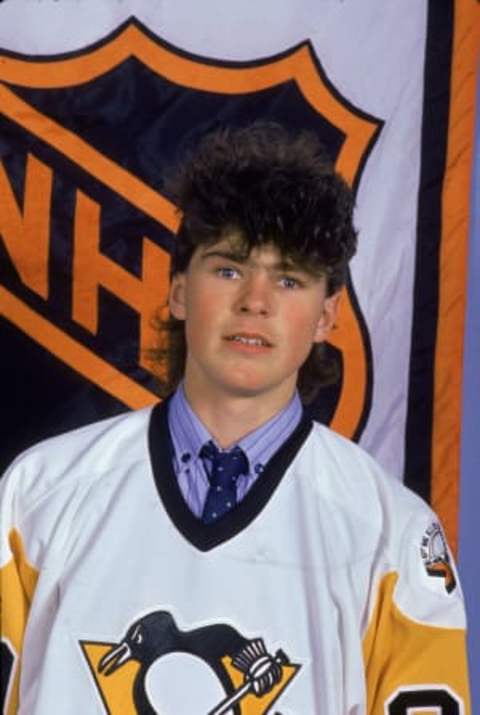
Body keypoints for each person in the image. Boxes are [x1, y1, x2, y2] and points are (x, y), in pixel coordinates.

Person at [0, 123, 470, 714]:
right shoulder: (36, 493)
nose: (255, 300)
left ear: (326, 317)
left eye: (289, 279)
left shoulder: (391, 532)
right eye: (228, 269)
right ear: (177, 292)